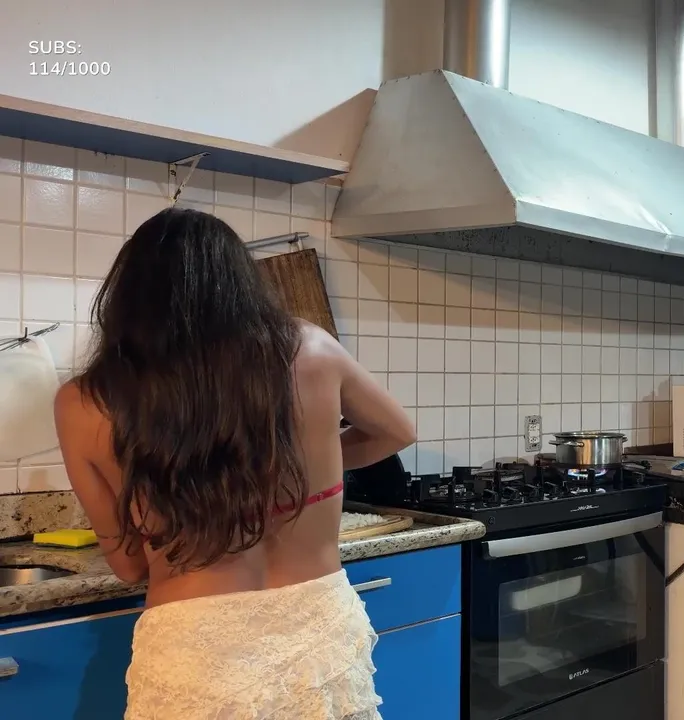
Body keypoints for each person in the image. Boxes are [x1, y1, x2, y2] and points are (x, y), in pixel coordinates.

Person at [54, 207, 416, 719]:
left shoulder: (83, 401)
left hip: (197, 653)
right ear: (241, 282)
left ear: (127, 298)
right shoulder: (311, 348)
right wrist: (309, 467)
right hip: (321, 636)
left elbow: (130, 566)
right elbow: (398, 432)